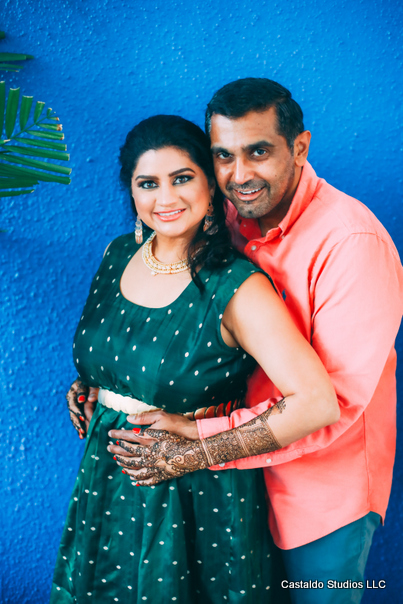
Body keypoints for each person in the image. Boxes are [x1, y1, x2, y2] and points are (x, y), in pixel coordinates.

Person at [102, 79, 403, 604]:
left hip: (320, 494)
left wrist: (200, 445)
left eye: (258, 152)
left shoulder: (353, 244)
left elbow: (335, 407)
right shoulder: (222, 218)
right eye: (223, 156)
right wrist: (107, 387)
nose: (239, 175)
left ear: (300, 147)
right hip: (233, 487)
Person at [53, 114, 339, 604]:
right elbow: (125, 356)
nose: (166, 199)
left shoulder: (236, 286)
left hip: (195, 498)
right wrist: (97, 389)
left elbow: (317, 403)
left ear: (211, 186)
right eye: (149, 184)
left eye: (182, 179)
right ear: (133, 193)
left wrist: (197, 452)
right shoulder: (118, 253)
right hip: (105, 483)